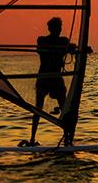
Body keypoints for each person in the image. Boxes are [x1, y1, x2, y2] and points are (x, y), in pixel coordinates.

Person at [24, 17, 76, 146]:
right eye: (55, 28)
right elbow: (42, 47)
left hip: (56, 79)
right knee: (38, 109)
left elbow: (71, 47)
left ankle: (67, 138)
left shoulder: (63, 41)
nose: (58, 30)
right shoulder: (42, 40)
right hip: (44, 78)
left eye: (59, 28)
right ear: (49, 29)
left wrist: (76, 48)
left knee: (65, 108)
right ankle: (32, 138)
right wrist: (64, 47)